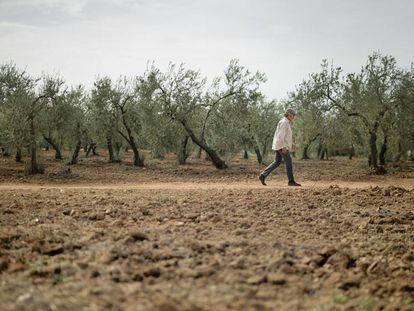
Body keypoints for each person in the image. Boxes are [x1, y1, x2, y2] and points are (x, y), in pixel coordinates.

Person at [259, 108, 301, 186]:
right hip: (281, 146)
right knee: (288, 161)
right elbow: (280, 136)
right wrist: (283, 147)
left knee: (277, 162)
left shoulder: (285, 122)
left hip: (280, 145)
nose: (294, 117)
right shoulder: (284, 122)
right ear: (289, 115)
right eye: (293, 115)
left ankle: (263, 175)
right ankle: (291, 181)